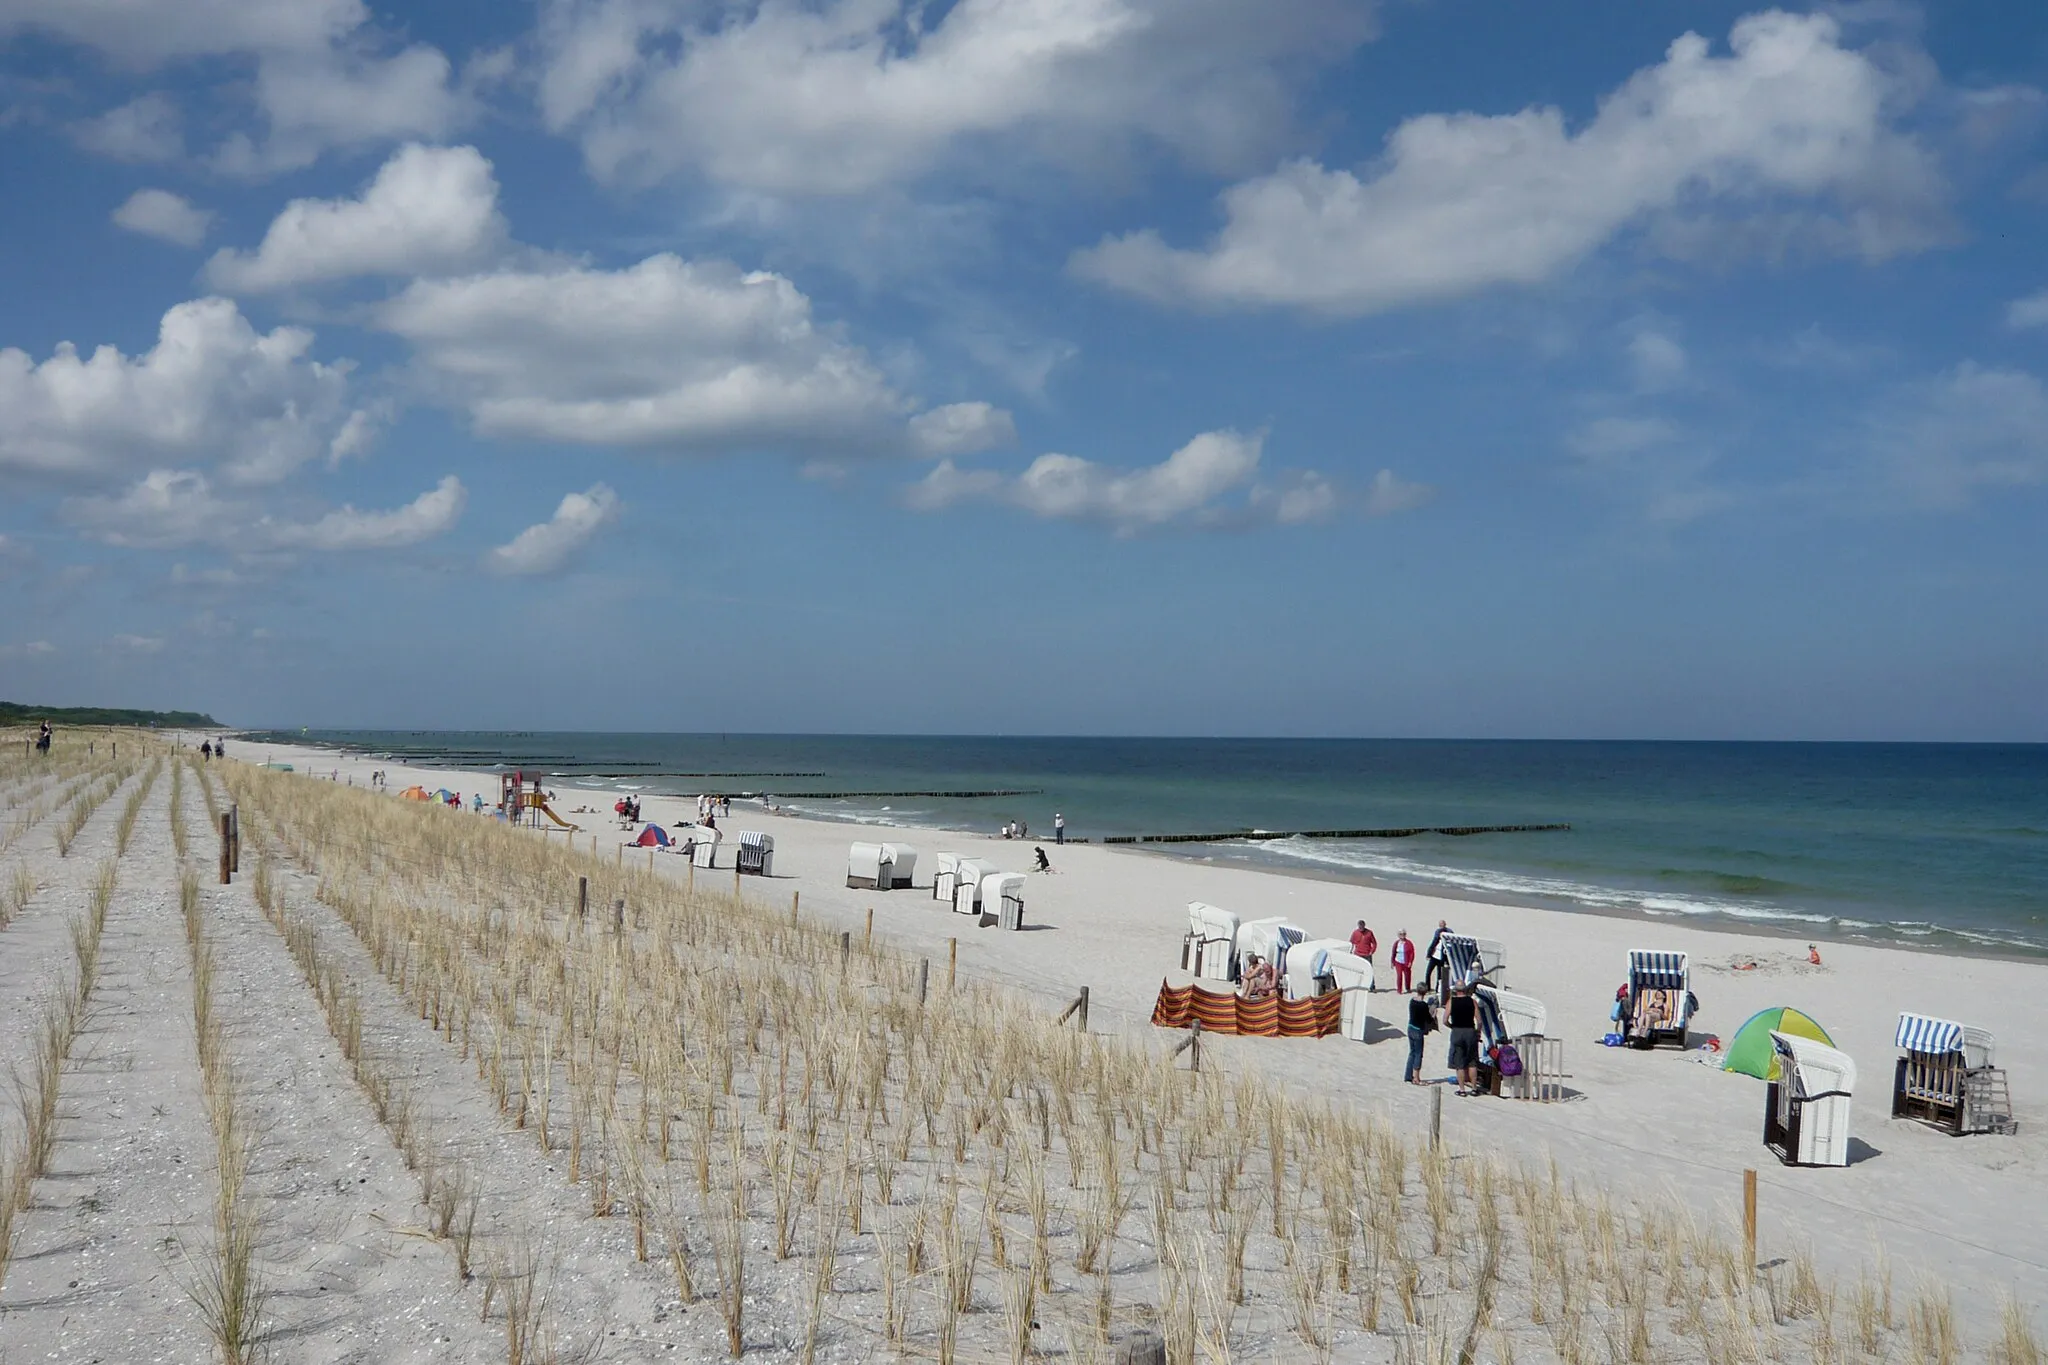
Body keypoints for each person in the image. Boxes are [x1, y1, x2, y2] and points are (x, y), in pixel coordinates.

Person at [1446, 985, 1482, 1095]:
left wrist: (1451, 1026)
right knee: (1472, 1062)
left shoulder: (1451, 1001)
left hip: (1457, 1031)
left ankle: (1462, 1090)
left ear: (1456, 990)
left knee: (1459, 1062)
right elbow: (1479, 1021)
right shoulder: (1472, 1002)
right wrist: (1477, 1031)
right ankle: (1474, 1089)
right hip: (1470, 1031)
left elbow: (1444, 1020)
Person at [1405, 986, 1436, 1084]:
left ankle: (1408, 1075)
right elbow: (1428, 1019)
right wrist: (1434, 1014)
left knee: (1412, 1052)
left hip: (1410, 1027)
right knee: (1418, 1054)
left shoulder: (1412, 1001)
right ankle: (1416, 1078)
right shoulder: (1423, 1005)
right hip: (1418, 1030)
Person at [1423, 919, 1451, 991]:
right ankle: (1427, 988)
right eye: (1440, 925)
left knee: (1439, 976)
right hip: (1434, 957)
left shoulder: (1448, 934)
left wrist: (1447, 961)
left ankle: (1437, 989)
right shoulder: (1437, 935)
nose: (1441, 926)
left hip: (1441, 959)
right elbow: (1432, 945)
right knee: (1428, 972)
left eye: (1443, 924)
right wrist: (1428, 954)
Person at [1390, 930, 1415, 994]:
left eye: (1403, 934)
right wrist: (1392, 962)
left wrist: (1410, 962)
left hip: (1406, 962)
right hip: (1398, 961)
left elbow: (1412, 953)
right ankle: (1399, 989)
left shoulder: (1409, 943)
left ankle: (1408, 987)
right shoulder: (1396, 943)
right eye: (1401, 934)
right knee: (1399, 976)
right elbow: (1393, 953)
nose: (1402, 935)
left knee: (1407, 975)